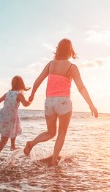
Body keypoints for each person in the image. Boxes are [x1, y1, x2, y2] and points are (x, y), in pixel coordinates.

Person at [24, 38, 98, 166]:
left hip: (49, 103)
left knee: (50, 132)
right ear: (70, 50)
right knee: (61, 133)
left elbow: (37, 81)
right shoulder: (71, 67)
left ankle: (31, 143)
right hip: (63, 102)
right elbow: (81, 87)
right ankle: (53, 162)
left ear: (58, 49)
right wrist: (91, 104)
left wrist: (32, 95)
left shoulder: (50, 64)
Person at [0, 75, 31, 162]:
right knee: (3, 140)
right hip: (10, 117)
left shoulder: (7, 94)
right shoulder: (19, 95)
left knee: (14, 129)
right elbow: (26, 104)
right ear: (21, 85)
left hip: (3, 115)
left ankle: (12, 146)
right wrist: (30, 100)